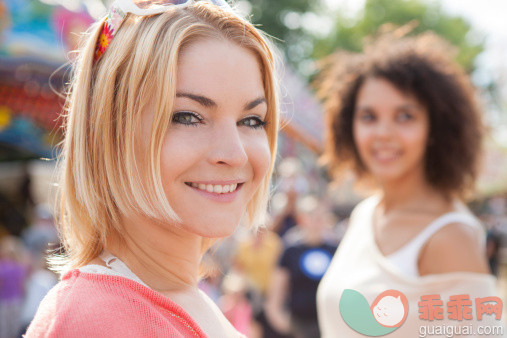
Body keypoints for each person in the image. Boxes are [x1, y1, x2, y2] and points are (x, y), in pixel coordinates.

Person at [26, 0, 279, 336]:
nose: (234, 154)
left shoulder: (176, 296)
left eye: (251, 120)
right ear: (110, 132)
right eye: (188, 117)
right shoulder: (99, 319)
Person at [315, 30, 503, 337]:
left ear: (435, 127)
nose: (383, 133)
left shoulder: (450, 236)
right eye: (368, 116)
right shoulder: (366, 213)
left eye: (405, 116)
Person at [265, 195, 337, 338]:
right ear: (301, 219)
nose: (317, 220)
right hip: (299, 325)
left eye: (321, 216)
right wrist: (285, 324)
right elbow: (276, 293)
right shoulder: (291, 251)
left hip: (329, 324)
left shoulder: (335, 250)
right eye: (312, 216)